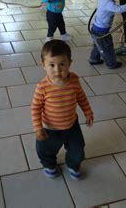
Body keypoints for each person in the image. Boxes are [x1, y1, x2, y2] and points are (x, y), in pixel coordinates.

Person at [31, 40, 94, 180]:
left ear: (69, 63)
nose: (57, 70)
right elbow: (35, 107)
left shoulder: (74, 80)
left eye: (62, 64)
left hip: (72, 125)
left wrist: (88, 112)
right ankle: (49, 165)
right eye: (51, 65)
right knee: (45, 150)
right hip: (49, 128)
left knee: (77, 149)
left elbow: (81, 97)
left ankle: (73, 164)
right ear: (43, 65)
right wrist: (38, 127)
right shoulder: (42, 87)